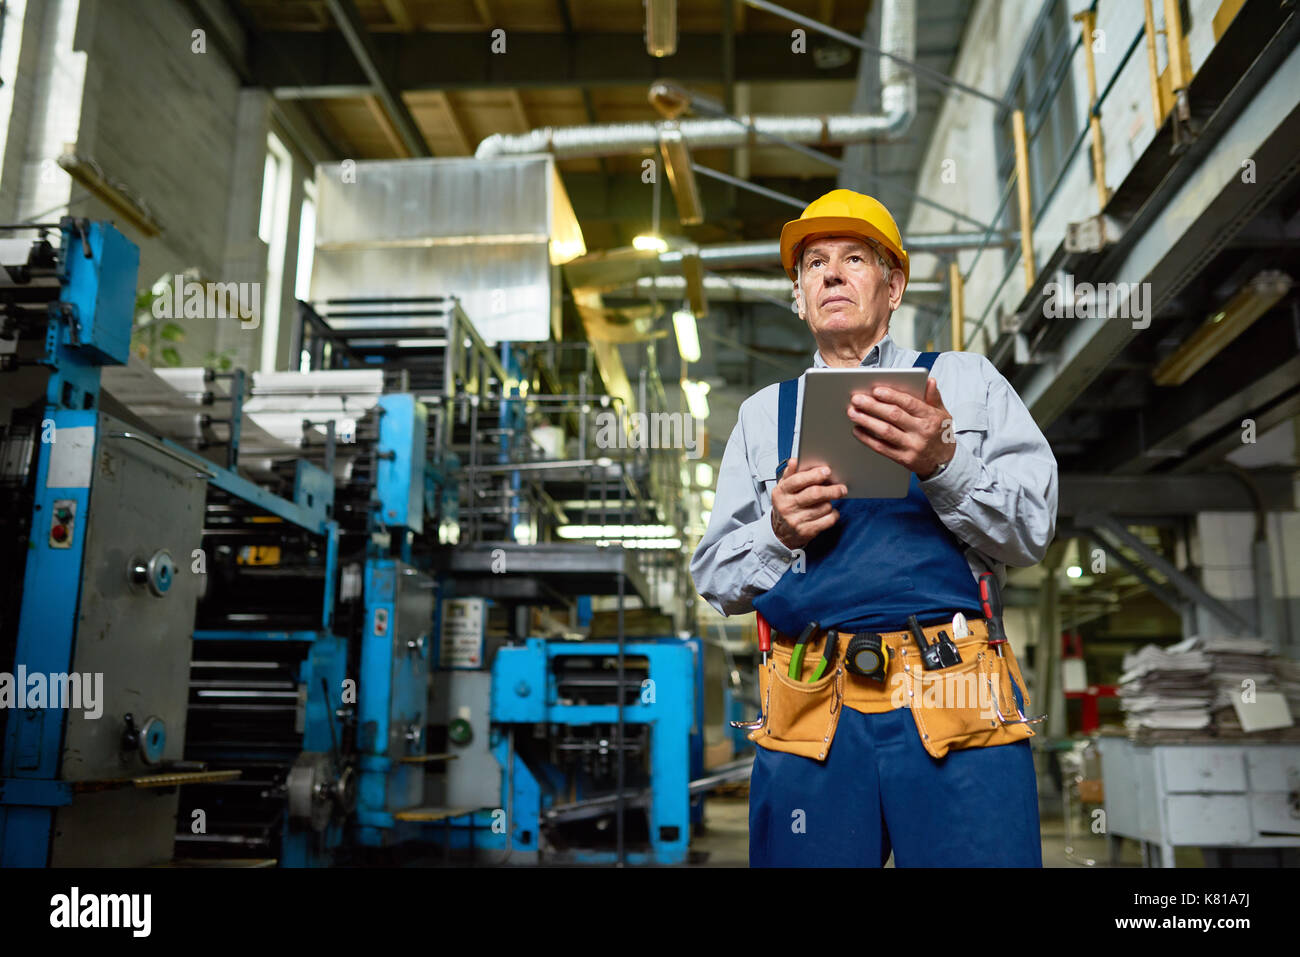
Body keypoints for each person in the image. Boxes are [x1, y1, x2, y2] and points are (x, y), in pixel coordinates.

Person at [690, 189, 1058, 867]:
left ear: (894, 285)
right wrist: (776, 532)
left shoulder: (967, 383)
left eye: (855, 258)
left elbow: (1031, 529)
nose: (830, 273)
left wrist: (944, 461)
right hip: (809, 691)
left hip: (956, 686)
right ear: (798, 295)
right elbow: (715, 576)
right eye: (814, 263)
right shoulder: (760, 417)